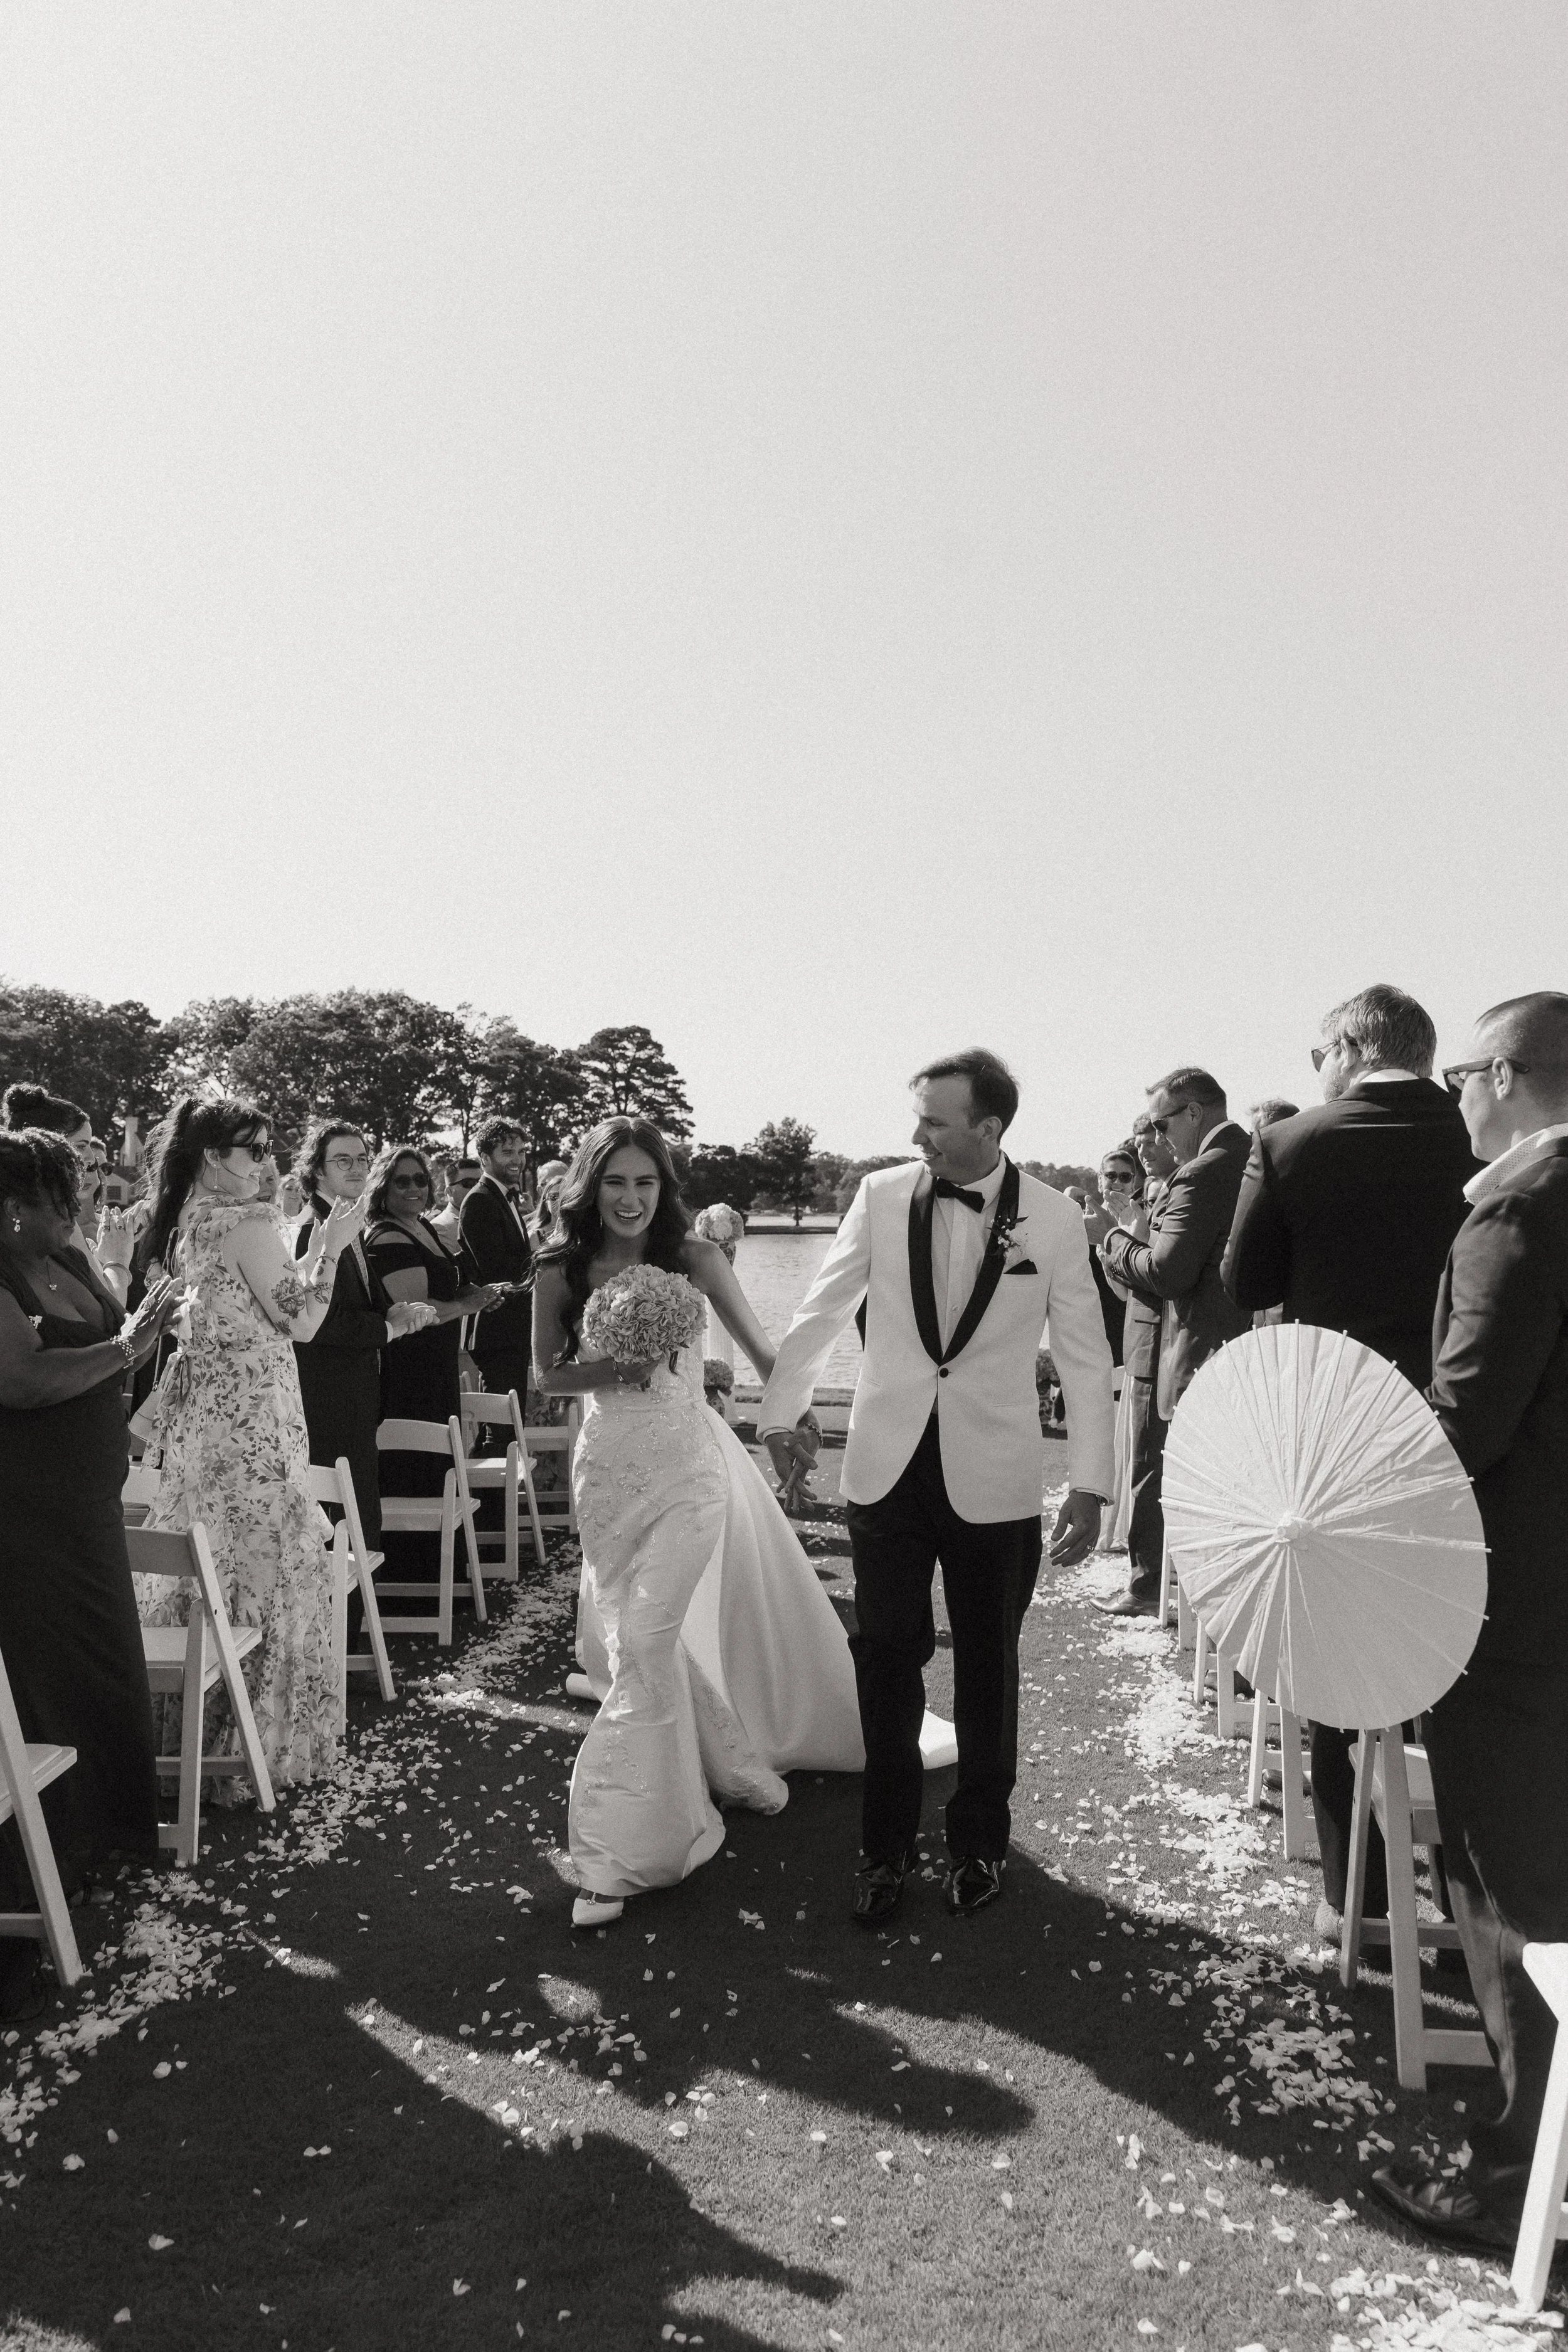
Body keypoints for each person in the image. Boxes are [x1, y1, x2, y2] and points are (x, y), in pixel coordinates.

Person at [760, 1050, 1116, 1926]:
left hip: (996, 1479)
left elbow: (1083, 1353)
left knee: (989, 1667)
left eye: (934, 1121)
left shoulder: (1058, 1217)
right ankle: (882, 1852)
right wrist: (781, 1412)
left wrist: (1091, 1482)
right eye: (917, 1118)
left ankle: (978, 1846)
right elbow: (822, 1308)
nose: (915, 1135)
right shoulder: (881, 1196)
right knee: (885, 1659)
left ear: (988, 1130)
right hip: (885, 1469)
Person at [534, 1117, 884, 1930]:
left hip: (690, 1475)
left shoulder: (695, 1257)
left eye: (645, 1183)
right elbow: (546, 1375)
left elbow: (769, 1356)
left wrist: (789, 1423)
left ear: (664, 1187)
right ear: (593, 1183)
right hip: (609, 1478)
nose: (629, 1197)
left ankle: (622, 1852)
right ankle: (737, 1767)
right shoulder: (562, 1266)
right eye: (615, 1181)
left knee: (648, 1641)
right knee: (635, 1647)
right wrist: (621, 1364)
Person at [1371, 992, 1568, 2254]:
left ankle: (1518, 2177)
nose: (1452, 1098)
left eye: (1458, 1077)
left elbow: (1467, 1421)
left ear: (1499, 1075)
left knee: (1507, 1885)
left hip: (1518, 1607)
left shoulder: (1515, 1208)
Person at [1222, 984, 1478, 1939]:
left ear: (1346, 1046)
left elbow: (1246, 1282)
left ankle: (1354, 1898)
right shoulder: (1482, 1136)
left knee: (1339, 1665)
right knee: (1457, 1664)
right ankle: (1465, 1901)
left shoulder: (1292, 1145)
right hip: (1467, 1428)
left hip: (1344, 1428)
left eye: (1315, 1054)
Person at [0, 1130, 177, 2018]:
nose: (76, 1212)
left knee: (106, 1661)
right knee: (51, 1676)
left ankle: (108, 1839)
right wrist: (126, 1347)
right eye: (54, 1197)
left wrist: (142, 1332)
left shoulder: (63, 1254)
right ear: (12, 1200)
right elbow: (23, 1380)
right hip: (27, 1514)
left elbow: (117, 1339)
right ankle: (52, 1859)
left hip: (86, 1503)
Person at [137, 1096, 358, 1793]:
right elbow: (304, 1322)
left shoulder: (182, 1224)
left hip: (207, 1428)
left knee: (214, 1563)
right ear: (212, 1157)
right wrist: (328, 1250)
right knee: (264, 1567)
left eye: (268, 1147)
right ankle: (259, 1747)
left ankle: (195, 1744)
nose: (267, 1162)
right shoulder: (247, 1220)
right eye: (254, 1149)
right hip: (257, 1428)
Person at [290, 1121, 435, 1567]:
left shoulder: (350, 1223)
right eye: (342, 1160)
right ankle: (338, 1634)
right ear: (316, 1171)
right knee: (341, 1534)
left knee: (360, 1528)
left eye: (361, 1159)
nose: (355, 1168)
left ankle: (352, 1634)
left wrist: (391, 1314)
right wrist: (386, 1330)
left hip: (354, 1400)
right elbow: (320, 1325)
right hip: (327, 1402)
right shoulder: (312, 1231)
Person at [364, 1147, 500, 1604]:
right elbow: (416, 1309)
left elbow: (449, 1281)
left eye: (420, 1180)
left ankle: (443, 1581)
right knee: (415, 1468)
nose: (414, 1189)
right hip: (408, 1372)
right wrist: (466, 1306)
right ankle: (412, 1586)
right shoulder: (386, 1237)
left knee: (440, 1465)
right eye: (402, 1181)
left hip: (438, 1367)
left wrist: (475, 1292)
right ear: (383, 1187)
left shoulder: (423, 1227)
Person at [1099, 1066, 1252, 1423]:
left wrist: (1113, 1238)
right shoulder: (1256, 1154)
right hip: (1250, 1360)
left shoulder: (1200, 1172)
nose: (1157, 1139)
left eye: (1161, 1125)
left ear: (1194, 1113)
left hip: (1199, 1366)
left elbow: (1167, 1274)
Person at [459, 1119, 534, 1410]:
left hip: (511, 1330)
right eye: (507, 1152)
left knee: (509, 1427)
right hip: (496, 1330)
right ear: (485, 1159)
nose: (517, 1160)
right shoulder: (479, 1201)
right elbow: (499, 1273)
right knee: (500, 1431)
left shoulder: (505, 1197)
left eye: (521, 1151)